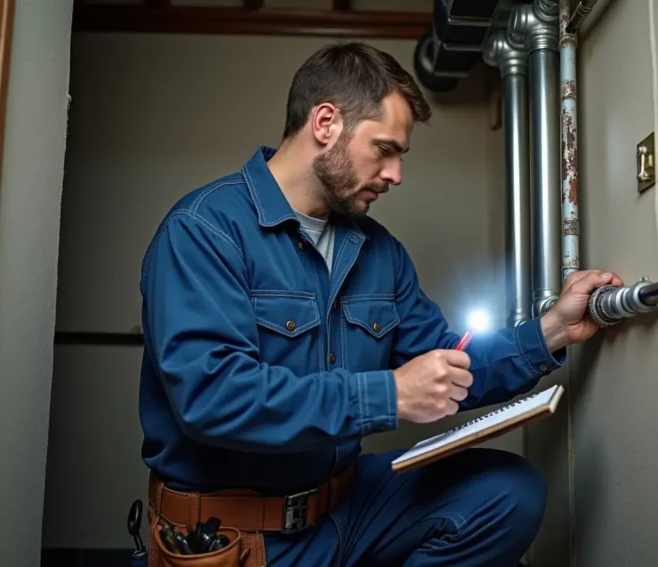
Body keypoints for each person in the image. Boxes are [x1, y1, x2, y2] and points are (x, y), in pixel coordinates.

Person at [138, 41, 623, 567]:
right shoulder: (205, 231)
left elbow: (447, 361)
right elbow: (214, 398)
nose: (395, 174)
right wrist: (387, 395)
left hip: (344, 506)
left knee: (507, 492)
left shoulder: (378, 250)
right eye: (385, 149)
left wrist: (550, 331)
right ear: (326, 123)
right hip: (238, 535)